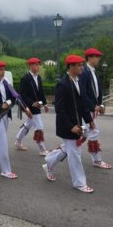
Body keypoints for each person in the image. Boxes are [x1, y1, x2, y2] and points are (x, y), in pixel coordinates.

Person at [42, 55, 96, 193]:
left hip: (78, 124)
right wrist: (70, 126)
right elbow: (60, 109)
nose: (82, 67)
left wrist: (90, 120)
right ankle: (79, 182)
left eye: (82, 65)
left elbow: (83, 104)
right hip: (68, 126)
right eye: (79, 65)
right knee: (74, 154)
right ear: (71, 67)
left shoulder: (79, 81)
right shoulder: (63, 84)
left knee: (68, 149)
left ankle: (49, 162)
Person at [0, 61, 32, 179]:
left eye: (3, 69)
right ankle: (6, 170)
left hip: (5, 116)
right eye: (1, 70)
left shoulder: (6, 83)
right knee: (2, 142)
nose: (3, 72)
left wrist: (26, 108)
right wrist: (0, 106)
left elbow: (15, 97)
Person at [79, 48, 111, 169]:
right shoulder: (85, 72)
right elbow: (83, 94)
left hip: (92, 109)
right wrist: (93, 106)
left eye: (98, 56)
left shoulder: (92, 71)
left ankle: (54, 156)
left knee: (83, 136)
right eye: (96, 57)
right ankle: (97, 160)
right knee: (91, 133)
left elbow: (97, 91)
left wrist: (100, 104)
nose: (98, 59)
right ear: (90, 58)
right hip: (86, 110)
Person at [15, 57, 49, 156]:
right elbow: (22, 94)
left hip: (38, 106)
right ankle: (42, 149)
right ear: (30, 66)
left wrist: (45, 104)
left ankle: (18, 141)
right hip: (30, 106)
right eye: (36, 64)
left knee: (28, 124)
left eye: (38, 64)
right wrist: (30, 104)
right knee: (39, 127)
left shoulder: (38, 78)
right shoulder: (25, 78)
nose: (38, 66)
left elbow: (41, 92)